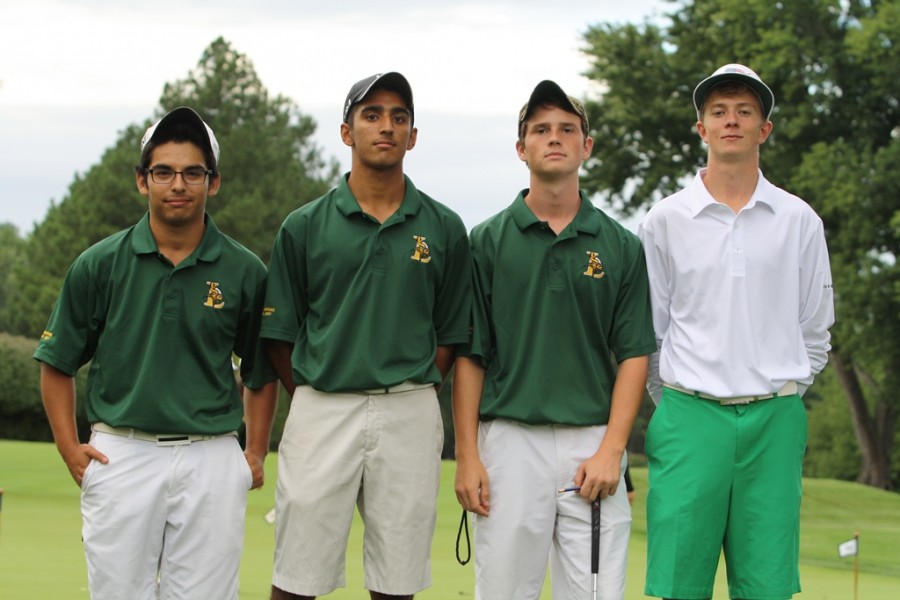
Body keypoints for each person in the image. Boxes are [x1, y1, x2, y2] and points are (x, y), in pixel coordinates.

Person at [33, 106, 278, 599]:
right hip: (121, 452)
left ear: (214, 182)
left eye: (193, 172)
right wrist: (67, 446)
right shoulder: (99, 264)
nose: (179, 184)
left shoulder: (245, 270)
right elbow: (56, 363)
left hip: (210, 454)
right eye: (163, 172)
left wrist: (253, 450)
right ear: (143, 181)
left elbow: (261, 371)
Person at [261, 72, 472, 600]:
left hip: (410, 408)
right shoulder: (304, 225)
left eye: (399, 117)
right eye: (372, 115)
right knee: (296, 575)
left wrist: (411, 385)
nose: (386, 127)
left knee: (397, 580)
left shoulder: (445, 228)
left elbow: (451, 333)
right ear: (346, 131)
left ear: (413, 135)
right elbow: (280, 334)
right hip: (322, 406)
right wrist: (316, 390)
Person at [453, 80, 656, 600]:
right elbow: (471, 357)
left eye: (568, 129)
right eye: (541, 130)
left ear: (587, 146)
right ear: (521, 149)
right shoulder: (486, 242)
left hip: (592, 443)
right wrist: (469, 455)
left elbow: (634, 353)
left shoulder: (621, 245)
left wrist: (614, 449)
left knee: (596, 593)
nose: (555, 138)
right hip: (510, 440)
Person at [638, 63, 835, 600]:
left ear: (763, 129)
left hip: (774, 420)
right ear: (701, 129)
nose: (732, 121)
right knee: (680, 586)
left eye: (745, 112)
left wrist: (778, 391)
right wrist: (678, 404)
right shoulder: (664, 221)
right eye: (719, 112)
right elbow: (650, 333)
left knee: (767, 588)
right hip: (688, 416)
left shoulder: (799, 220)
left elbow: (815, 331)